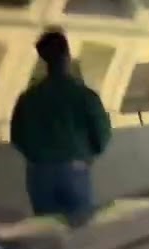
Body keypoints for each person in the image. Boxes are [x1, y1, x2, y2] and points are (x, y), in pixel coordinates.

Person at [10, 29, 111, 223]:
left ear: (43, 59)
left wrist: (36, 156)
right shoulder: (85, 95)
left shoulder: (28, 98)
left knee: (48, 228)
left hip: (39, 172)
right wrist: (89, 155)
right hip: (75, 168)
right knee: (80, 227)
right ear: (68, 55)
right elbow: (102, 134)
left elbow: (17, 136)